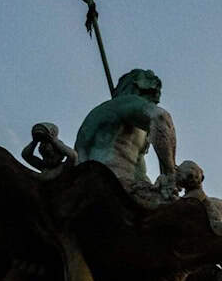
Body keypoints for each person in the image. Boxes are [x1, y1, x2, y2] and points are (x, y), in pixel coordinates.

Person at [73, 69, 177, 197]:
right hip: (104, 180)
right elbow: (160, 117)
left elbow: (139, 172)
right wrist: (170, 173)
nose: (150, 104)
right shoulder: (121, 104)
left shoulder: (140, 133)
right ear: (138, 89)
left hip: (127, 188)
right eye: (150, 98)